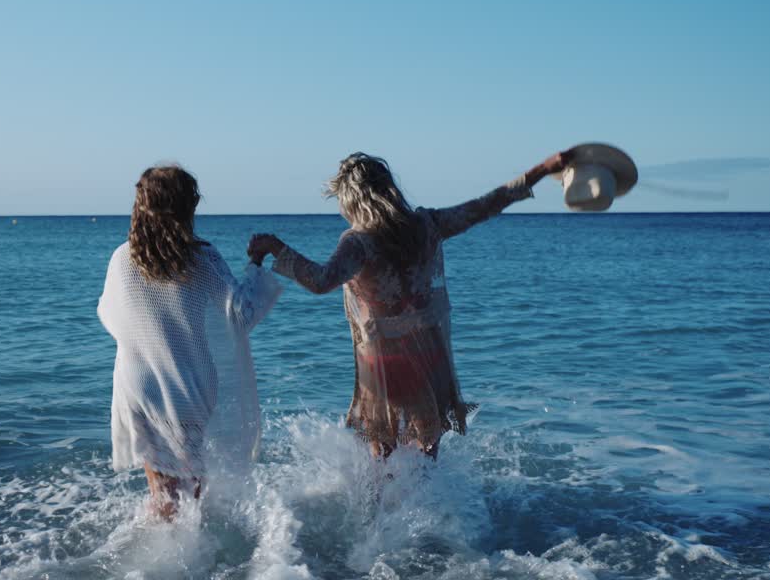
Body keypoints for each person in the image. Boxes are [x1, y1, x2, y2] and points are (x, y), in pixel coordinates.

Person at [248, 150, 571, 459]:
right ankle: (436, 511)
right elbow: (484, 206)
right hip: (430, 351)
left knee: (382, 454)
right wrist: (542, 170)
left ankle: (381, 513)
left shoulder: (358, 242)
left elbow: (320, 281)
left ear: (351, 199)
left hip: (385, 360)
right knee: (428, 450)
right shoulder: (427, 226)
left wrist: (276, 247)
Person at [98, 165, 282, 519]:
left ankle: (152, 563)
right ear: (187, 208)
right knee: (187, 501)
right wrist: (256, 264)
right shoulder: (201, 258)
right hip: (187, 389)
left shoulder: (122, 258)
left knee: (161, 497)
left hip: (136, 387)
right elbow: (241, 315)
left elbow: (109, 316)